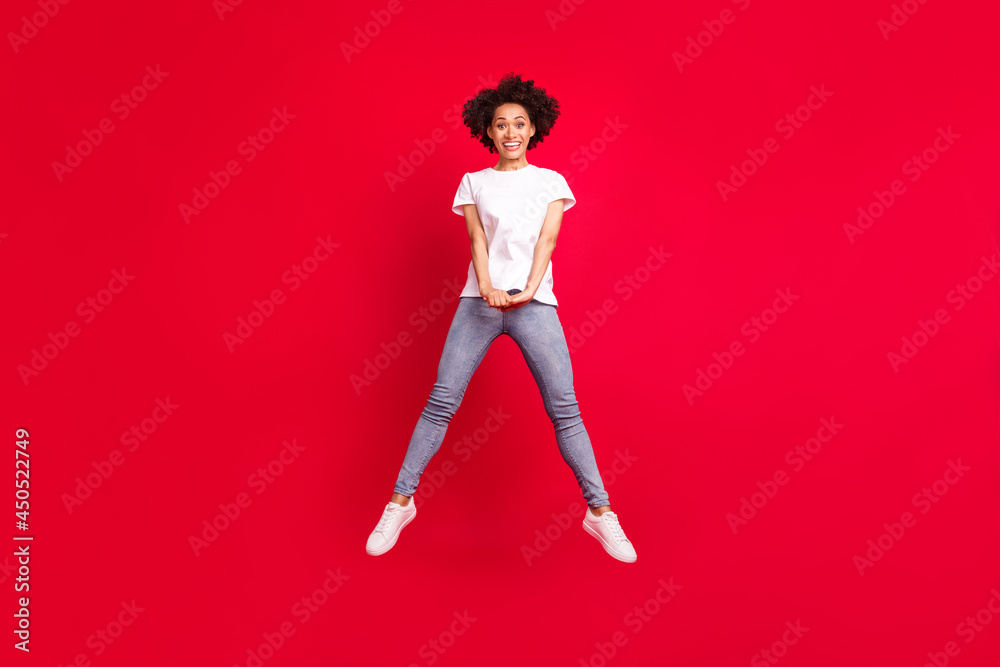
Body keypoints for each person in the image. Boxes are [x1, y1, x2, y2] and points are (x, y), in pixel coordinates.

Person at [366, 73, 636, 563]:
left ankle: (600, 513)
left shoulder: (551, 181)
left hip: (535, 305)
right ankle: (399, 503)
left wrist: (529, 290)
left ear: (534, 129)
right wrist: (487, 288)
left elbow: (547, 241)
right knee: (440, 403)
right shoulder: (473, 182)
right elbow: (477, 243)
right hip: (480, 302)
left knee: (566, 411)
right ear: (487, 132)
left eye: (519, 124)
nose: (510, 132)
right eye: (500, 125)